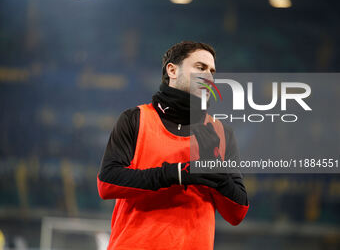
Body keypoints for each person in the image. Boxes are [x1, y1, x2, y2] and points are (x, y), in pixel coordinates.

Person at [97, 41, 249, 250]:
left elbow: (237, 213)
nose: (209, 77)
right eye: (200, 67)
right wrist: (176, 173)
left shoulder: (221, 133)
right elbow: (107, 184)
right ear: (172, 70)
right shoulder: (135, 119)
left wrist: (217, 173)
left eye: (212, 71)